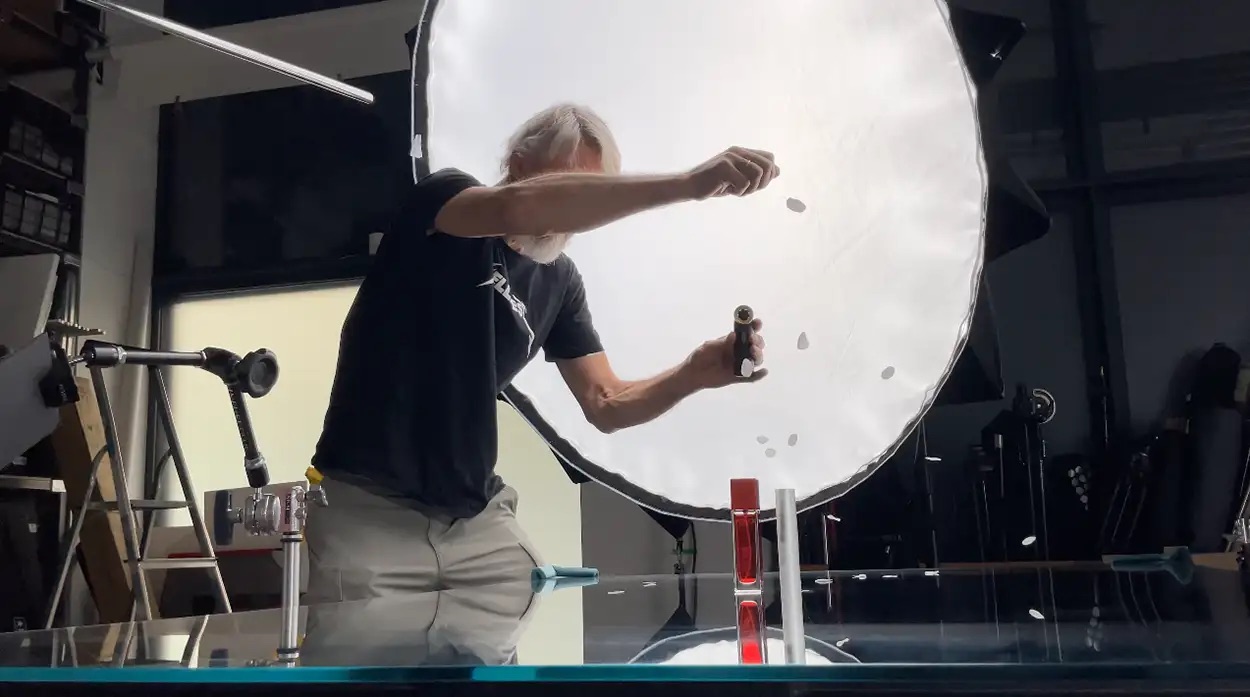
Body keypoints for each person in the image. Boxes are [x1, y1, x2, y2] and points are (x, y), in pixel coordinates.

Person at [306, 104, 779, 603]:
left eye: (598, 192)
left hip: (472, 516)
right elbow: (519, 208)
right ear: (519, 164)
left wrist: (694, 373)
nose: (583, 211)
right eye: (575, 187)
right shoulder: (445, 202)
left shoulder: (561, 281)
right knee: (362, 666)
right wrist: (685, 184)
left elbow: (606, 402)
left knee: (509, 649)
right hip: (366, 504)